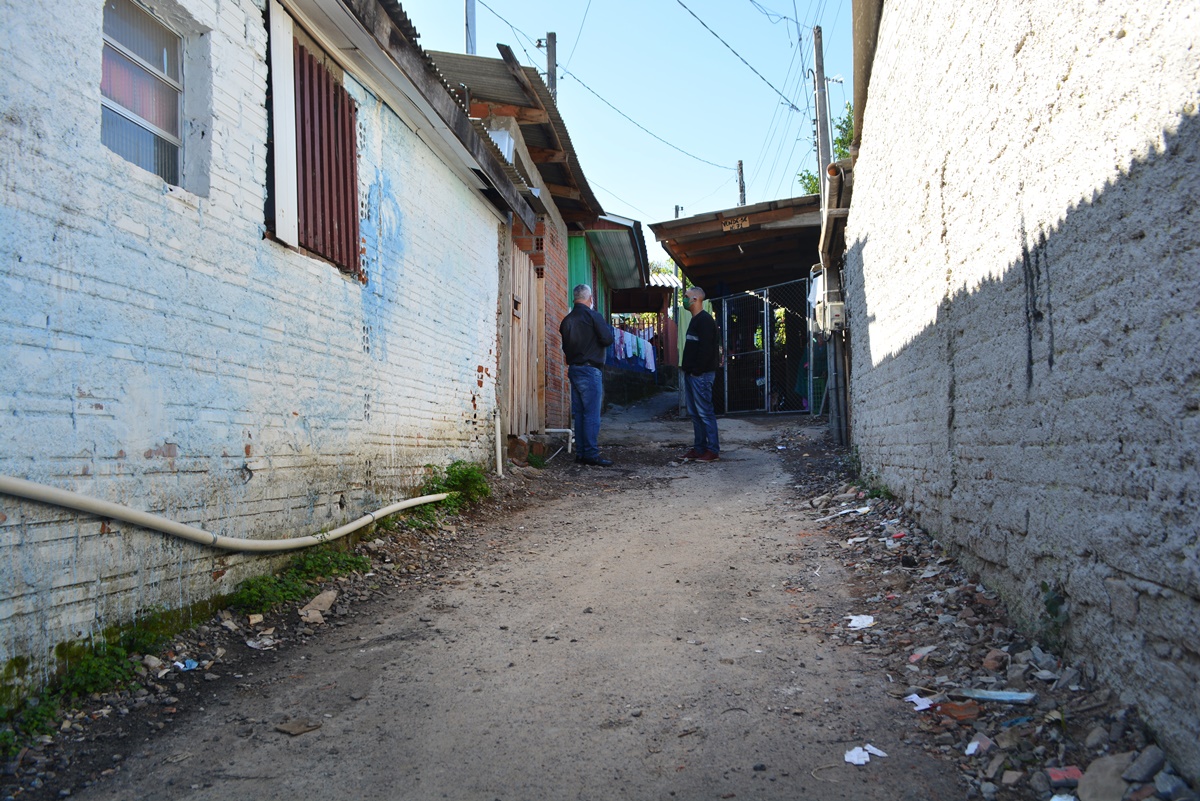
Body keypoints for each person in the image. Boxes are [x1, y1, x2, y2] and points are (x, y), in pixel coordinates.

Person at [559, 284, 614, 466]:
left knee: (581, 413)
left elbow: (566, 347)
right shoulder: (593, 316)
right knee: (591, 414)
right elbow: (607, 339)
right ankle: (590, 454)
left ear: (574, 298)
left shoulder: (566, 320)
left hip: (574, 369)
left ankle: (581, 453)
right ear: (590, 299)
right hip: (591, 370)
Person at [681, 286, 720, 462]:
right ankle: (700, 448)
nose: (684, 299)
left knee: (704, 412)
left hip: (700, 375)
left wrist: (697, 371)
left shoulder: (704, 320)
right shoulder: (696, 320)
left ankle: (712, 449)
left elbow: (706, 349)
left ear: (696, 299)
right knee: (696, 414)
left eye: (686, 296)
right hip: (693, 374)